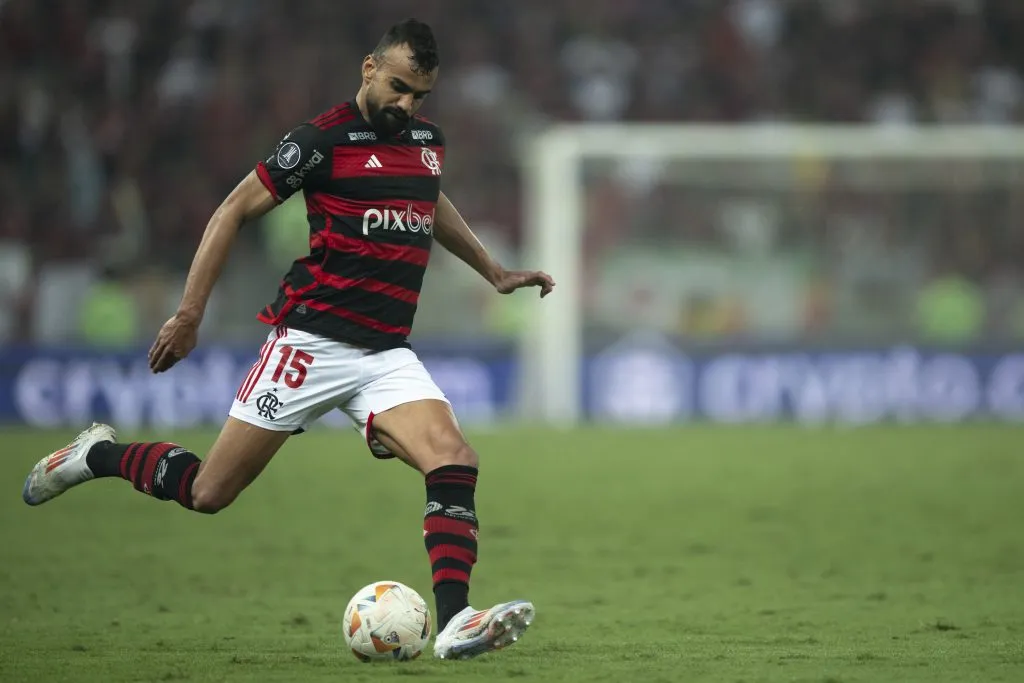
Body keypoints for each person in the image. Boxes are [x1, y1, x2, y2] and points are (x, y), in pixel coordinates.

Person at [22, 18, 554, 661]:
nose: (407, 105)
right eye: (398, 87)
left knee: (455, 460)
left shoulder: (425, 143)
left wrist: (493, 271)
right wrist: (189, 313)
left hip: (385, 353)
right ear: (368, 68)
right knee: (207, 493)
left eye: (420, 95)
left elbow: (429, 198)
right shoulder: (319, 141)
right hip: (309, 344)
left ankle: (455, 620)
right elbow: (232, 210)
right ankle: (96, 455)